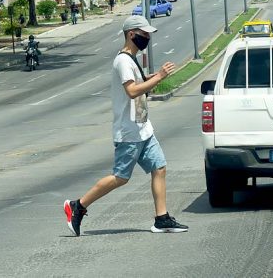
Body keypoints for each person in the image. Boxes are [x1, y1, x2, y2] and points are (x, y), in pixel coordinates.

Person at [63, 15, 187, 235]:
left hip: (143, 129)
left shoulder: (132, 59)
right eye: (144, 34)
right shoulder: (122, 61)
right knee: (120, 178)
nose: (147, 38)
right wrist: (159, 76)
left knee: (159, 168)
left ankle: (162, 218)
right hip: (129, 132)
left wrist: (149, 77)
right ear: (132, 34)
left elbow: (137, 85)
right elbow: (131, 91)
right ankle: (78, 206)